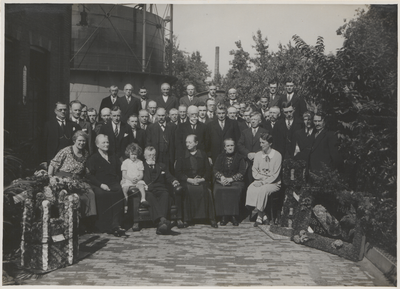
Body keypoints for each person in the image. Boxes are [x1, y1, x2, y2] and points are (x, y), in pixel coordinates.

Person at [48, 130, 97, 233]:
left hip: (77, 179)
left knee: (90, 193)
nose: (81, 143)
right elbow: (53, 164)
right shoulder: (66, 151)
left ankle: (86, 221)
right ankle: (74, 224)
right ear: (74, 140)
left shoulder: (85, 153)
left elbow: (85, 169)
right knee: (75, 197)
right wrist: (50, 177)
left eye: (84, 141)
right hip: (63, 178)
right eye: (79, 140)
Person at [86, 134, 125, 237]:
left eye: (107, 142)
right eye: (103, 142)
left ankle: (116, 225)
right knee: (102, 195)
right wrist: (101, 184)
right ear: (97, 144)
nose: (106, 144)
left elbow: (119, 171)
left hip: (113, 183)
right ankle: (105, 226)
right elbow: (90, 176)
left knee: (118, 193)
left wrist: (122, 180)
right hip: (99, 184)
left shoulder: (113, 156)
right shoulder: (93, 158)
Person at [175, 135, 218, 228]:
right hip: (188, 181)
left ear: (196, 143)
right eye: (186, 142)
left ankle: (210, 218)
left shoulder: (203, 154)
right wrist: (189, 180)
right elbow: (178, 172)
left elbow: (208, 171)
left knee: (207, 191)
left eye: (190, 142)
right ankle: (187, 219)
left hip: (201, 180)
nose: (187, 144)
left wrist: (202, 179)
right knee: (186, 191)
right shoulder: (182, 155)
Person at [245, 132, 282, 227]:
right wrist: (260, 180)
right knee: (251, 188)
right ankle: (264, 214)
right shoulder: (258, 155)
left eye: (263, 143)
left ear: (270, 143)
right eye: (260, 142)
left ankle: (259, 216)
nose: (261, 145)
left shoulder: (277, 155)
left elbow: (275, 175)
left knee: (263, 190)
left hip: (273, 183)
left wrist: (263, 182)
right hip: (260, 180)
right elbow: (254, 171)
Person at [142, 146, 180, 235]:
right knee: (150, 196)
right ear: (145, 156)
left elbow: (169, 176)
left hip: (161, 189)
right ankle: (163, 221)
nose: (152, 157)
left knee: (165, 195)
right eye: (149, 155)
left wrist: (174, 181)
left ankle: (160, 224)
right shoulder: (141, 166)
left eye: (153, 155)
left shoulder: (162, 166)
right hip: (149, 190)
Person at [213, 139, 247, 226]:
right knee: (219, 190)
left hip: (235, 181)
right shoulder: (220, 157)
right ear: (224, 147)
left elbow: (242, 172)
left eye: (232, 145)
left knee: (234, 190)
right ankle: (223, 215)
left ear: (234, 146)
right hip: (222, 181)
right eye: (228, 146)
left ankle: (233, 215)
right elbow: (215, 169)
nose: (230, 148)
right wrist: (222, 178)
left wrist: (231, 179)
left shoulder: (240, 158)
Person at [237, 112, 268, 184]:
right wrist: (248, 153)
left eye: (255, 119)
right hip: (247, 161)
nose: (253, 121)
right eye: (252, 119)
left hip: (260, 160)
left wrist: (256, 154)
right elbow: (240, 144)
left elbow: (266, 145)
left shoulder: (264, 132)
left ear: (260, 121)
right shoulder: (245, 132)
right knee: (248, 180)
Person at [146, 107, 176, 173]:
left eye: (162, 115)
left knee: (169, 174)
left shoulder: (172, 126)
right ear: (156, 116)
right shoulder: (151, 127)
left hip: (168, 156)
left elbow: (175, 143)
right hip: (157, 156)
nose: (161, 117)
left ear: (166, 115)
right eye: (159, 115)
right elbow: (148, 143)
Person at [120, 143, 148, 214]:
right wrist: (130, 179)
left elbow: (141, 174)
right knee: (124, 189)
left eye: (135, 154)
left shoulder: (139, 162)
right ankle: (125, 204)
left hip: (137, 180)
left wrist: (137, 179)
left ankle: (143, 199)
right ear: (128, 153)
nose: (134, 156)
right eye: (132, 154)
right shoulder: (125, 162)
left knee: (141, 186)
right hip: (128, 180)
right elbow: (124, 174)